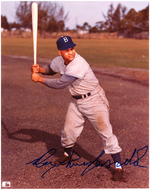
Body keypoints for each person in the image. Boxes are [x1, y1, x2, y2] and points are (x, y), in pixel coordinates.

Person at [31, 36, 124, 181]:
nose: (70, 52)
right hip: (76, 101)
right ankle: (67, 155)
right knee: (68, 130)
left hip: (94, 100)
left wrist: (39, 79)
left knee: (106, 133)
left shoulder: (78, 63)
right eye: (66, 50)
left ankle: (118, 166)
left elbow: (60, 83)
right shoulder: (58, 60)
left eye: (72, 49)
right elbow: (51, 69)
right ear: (60, 51)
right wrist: (40, 69)